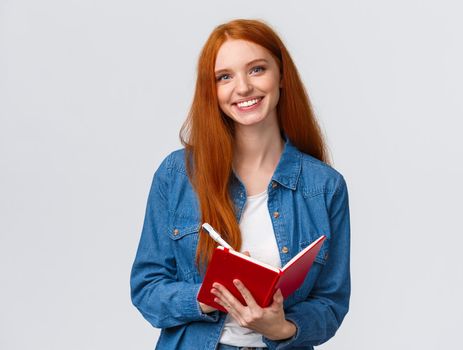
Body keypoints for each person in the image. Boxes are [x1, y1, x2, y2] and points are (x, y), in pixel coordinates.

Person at [130, 18, 351, 350]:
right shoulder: (177, 174)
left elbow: (330, 304)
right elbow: (147, 290)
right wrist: (212, 295)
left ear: (282, 76)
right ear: (213, 90)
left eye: (257, 69)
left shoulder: (324, 186)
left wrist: (281, 328)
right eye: (225, 77)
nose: (244, 88)